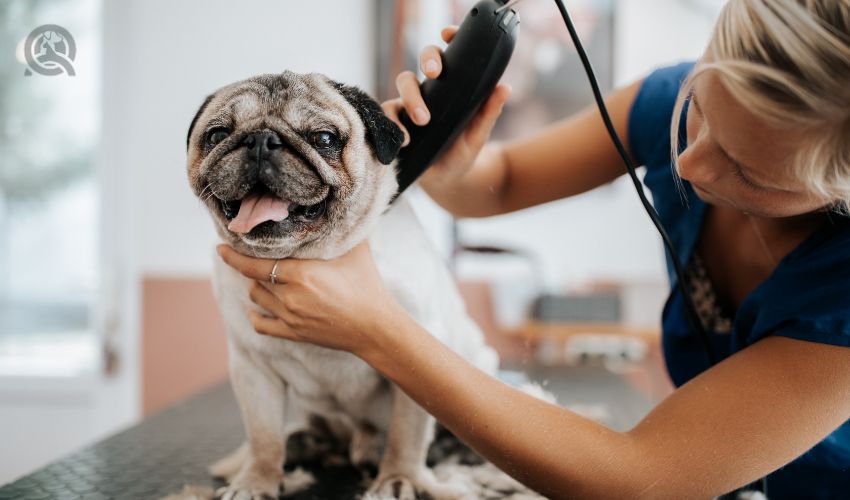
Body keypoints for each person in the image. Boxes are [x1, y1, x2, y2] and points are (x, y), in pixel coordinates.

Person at [216, 1, 850, 497]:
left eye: (751, 172)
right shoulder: (668, 102)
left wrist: (377, 329)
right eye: (701, 112)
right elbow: (499, 185)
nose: (691, 163)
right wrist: (452, 166)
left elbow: (636, 479)